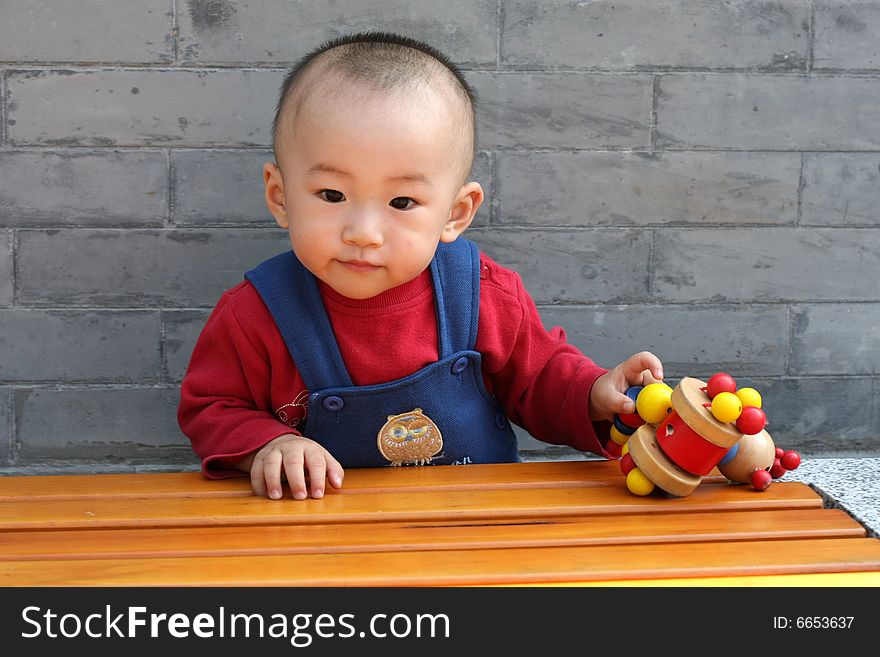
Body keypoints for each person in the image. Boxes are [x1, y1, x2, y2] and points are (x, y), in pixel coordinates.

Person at [177, 31, 663, 501]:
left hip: (471, 532)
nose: (364, 231)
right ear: (280, 196)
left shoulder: (482, 294)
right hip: (325, 539)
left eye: (402, 200)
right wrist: (270, 444)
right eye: (332, 195)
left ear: (456, 213)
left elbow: (540, 379)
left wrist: (597, 391)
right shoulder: (256, 313)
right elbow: (212, 408)